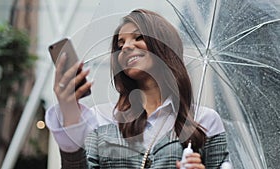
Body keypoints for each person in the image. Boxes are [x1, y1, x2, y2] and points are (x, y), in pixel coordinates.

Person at [46, 9, 229, 169]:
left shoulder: (204, 121)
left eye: (138, 37)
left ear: (164, 45)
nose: (126, 47)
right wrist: (70, 116)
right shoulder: (100, 120)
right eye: (120, 44)